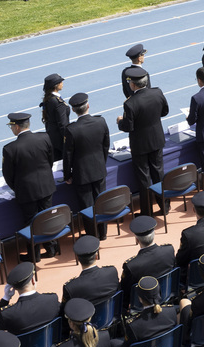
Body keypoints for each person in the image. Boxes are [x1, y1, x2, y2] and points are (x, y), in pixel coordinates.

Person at [117, 66, 169, 216]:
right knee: (158, 174)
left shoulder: (130, 103)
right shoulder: (157, 92)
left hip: (140, 145)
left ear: (132, 84)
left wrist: (120, 121)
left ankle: (147, 211)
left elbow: (128, 126)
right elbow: (165, 112)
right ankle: (164, 206)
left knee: (144, 179)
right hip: (157, 140)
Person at [0, 112, 56, 234]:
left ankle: (34, 252)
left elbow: (8, 175)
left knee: (30, 223)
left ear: (17, 127)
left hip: (26, 191)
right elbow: (50, 161)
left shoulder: (10, 149)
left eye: (11, 126)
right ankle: (52, 247)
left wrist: (18, 188)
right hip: (46, 186)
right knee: (48, 219)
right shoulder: (44, 137)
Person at [63, 93, 110, 232]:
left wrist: (67, 175)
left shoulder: (71, 129)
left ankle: (92, 234)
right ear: (88, 105)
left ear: (73, 110)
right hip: (99, 169)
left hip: (81, 174)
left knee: (87, 206)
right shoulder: (101, 122)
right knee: (101, 202)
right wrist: (102, 162)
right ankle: (103, 232)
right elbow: (106, 146)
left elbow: (68, 155)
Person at [0, 262, 60, 335]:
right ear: (32, 281)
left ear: (14, 288)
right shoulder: (52, 299)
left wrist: (6, 298)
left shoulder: (9, 313)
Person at [39, 73, 69, 162]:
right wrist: (68, 139)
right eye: (61, 82)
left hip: (51, 135)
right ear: (56, 85)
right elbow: (63, 124)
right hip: (60, 139)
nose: (62, 84)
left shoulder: (48, 98)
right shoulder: (58, 102)